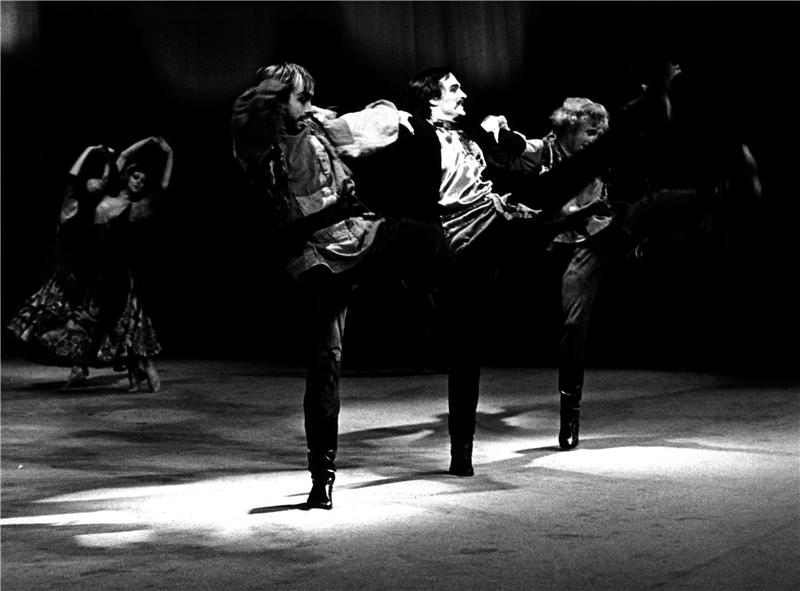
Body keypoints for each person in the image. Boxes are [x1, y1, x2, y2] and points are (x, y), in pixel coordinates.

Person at [400, 66, 679, 476]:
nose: (464, 94)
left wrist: (495, 130)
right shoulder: (416, 132)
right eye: (454, 89)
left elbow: (505, 142)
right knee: (464, 344)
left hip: (505, 224)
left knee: (477, 340)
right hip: (462, 239)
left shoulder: (471, 133)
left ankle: (466, 452)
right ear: (431, 98)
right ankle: (462, 449)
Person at [231, 63, 447, 509]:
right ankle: (321, 475)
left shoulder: (318, 127)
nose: (310, 105)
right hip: (315, 260)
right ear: (278, 101)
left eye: (310, 98)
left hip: (359, 237)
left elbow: (366, 125)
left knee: (420, 234)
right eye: (301, 98)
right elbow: (250, 125)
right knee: (325, 362)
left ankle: (429, 317)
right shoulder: (261, 141)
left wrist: (398, 117)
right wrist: (276, 100)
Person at [511, 91, 761, 451]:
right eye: (590, 133)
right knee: (573, 325)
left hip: (598, 238)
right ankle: (570, 412)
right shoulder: (543, 150)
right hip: (556, 244)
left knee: (653, 205)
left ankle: (727, 193)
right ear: (569, 128)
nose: (596, 140)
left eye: (600, 134)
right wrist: (495, 133)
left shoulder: (600, 158)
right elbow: (514, 148)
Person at [7, 136, 173, 392]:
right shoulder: (107, 194)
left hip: (117, 274)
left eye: (143, 180)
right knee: (82, 320)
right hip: (92, 269)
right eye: (135, 176)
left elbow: (163, 187)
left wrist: (169, 154)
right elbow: (121, 158)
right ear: (126, 177)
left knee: (119, 322)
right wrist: (147, 142)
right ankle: (102, 368)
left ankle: (139, 366)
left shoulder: (137, 208)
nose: (139, 182)